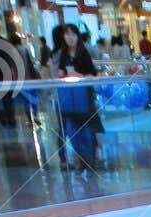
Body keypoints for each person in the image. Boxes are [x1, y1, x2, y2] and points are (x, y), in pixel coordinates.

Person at [53, 24, 99, 172]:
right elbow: (60, 71)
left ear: (77, 36)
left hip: (83, 98)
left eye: (73, 34)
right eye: (67, 35)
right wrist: (62, 74)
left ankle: (90, 159)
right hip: (68, 98)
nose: (70, 38)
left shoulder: (83, 53)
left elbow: (93, 74)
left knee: (86, 129)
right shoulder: (63, 54)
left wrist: (81, 76)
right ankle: (81, 159)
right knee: (72, 130)